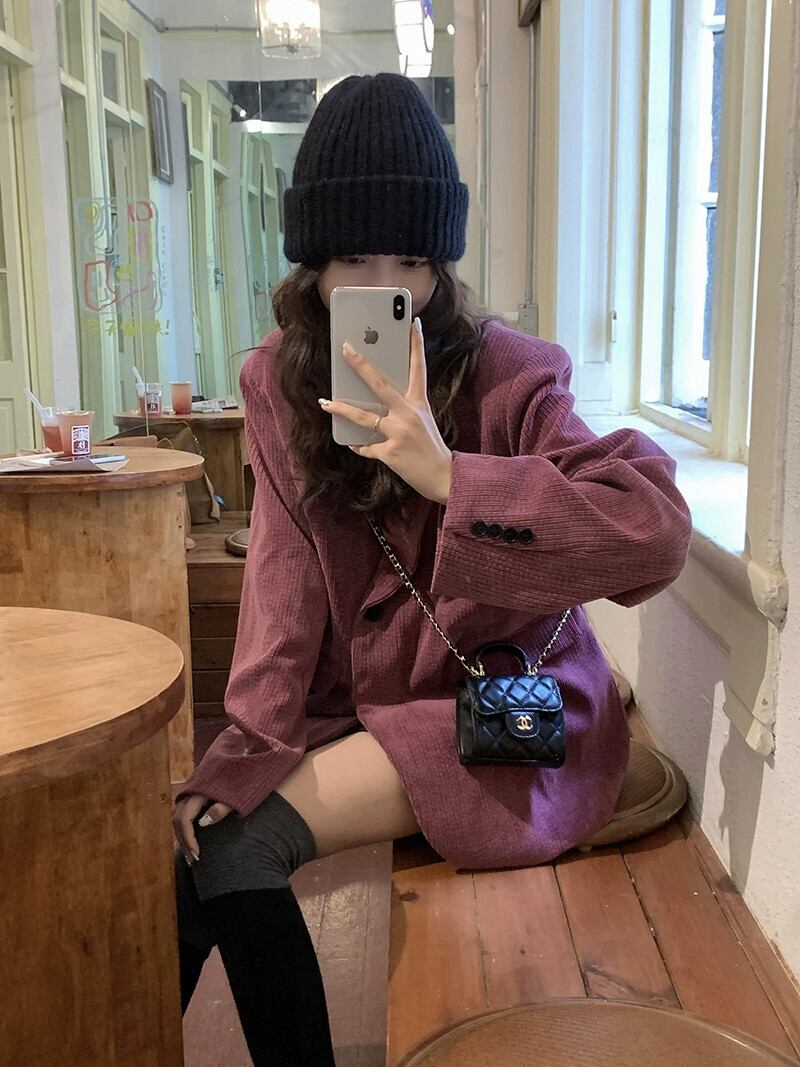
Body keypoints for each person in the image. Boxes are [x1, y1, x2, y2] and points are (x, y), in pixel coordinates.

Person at [173, 72, 691, 1065]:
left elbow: (654, 528)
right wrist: (247, 744)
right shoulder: (276, 380)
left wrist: (450, 474)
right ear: (310, 264)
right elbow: (283, 578)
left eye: (410, 258)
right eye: (353, 259)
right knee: (196, 844)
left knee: (236, 846)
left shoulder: (509, 373)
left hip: (506, 712)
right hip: (374, 707)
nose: (385, 287)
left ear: (440, 261)